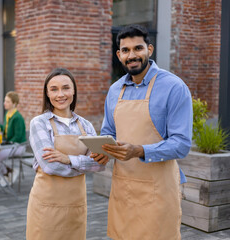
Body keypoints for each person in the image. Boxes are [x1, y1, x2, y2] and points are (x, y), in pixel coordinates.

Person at [91, 25, 193, 240]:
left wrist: (139, 150)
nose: (132, 55)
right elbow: (109, 131)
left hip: (159, 191)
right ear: (119, 55)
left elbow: (182, 144)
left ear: (149, 49)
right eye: (126, 50)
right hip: (123, 188)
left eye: (138, 48)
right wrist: (103, 151)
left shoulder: (174, 87)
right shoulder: (114, 90)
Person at [26, 68, 105, 240]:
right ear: (47, 94)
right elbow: (50, 165)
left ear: (74, 90)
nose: (60, 94)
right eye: (54, 89)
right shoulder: (39, 123)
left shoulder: (86, 125)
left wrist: (67, 159)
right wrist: (83, 164)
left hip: (75, 207)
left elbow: (99, 164)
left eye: (65, 88)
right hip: (46, 206)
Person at [0, 91, 26, 185]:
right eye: (4, 101)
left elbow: (17, 137)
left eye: (7, 101)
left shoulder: (17, 117)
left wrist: (3, 146)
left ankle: (6, 174)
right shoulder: (8, 114)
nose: (4, 103)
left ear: (14, 104)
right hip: (9, 144)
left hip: (18, 146)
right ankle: (9, 171)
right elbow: (5, 130)